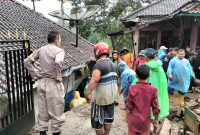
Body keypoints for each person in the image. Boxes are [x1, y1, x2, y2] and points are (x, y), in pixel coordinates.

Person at [24, 31, 65, 135]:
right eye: (59, 39)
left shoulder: (41, 50)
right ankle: (56, 132)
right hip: (53, 84)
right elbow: (58, 62)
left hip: (42, 83)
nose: (60, 41)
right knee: (56, 110)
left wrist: (36, 74)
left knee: (43, 111)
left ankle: (42, 131)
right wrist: (58, 75)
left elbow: (27, 62)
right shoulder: (59, 51)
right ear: (56, 40)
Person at [85, 42, 118, 135]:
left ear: (97, 52)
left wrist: (87, 94)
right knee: (108, 119)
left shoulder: (98, 65)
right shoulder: (113, 64)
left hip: (100, 98)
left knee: (97, 122)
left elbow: (95, 80)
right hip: (111, 97)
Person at [127, 65, 159, 135]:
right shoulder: (153, 90)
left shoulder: (132, 88)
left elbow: (129, 106)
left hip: (133, 121)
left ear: (136, 75)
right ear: (149, 75)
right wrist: (156, 119)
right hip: (145, 123)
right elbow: (156, 108)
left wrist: (127, 118)